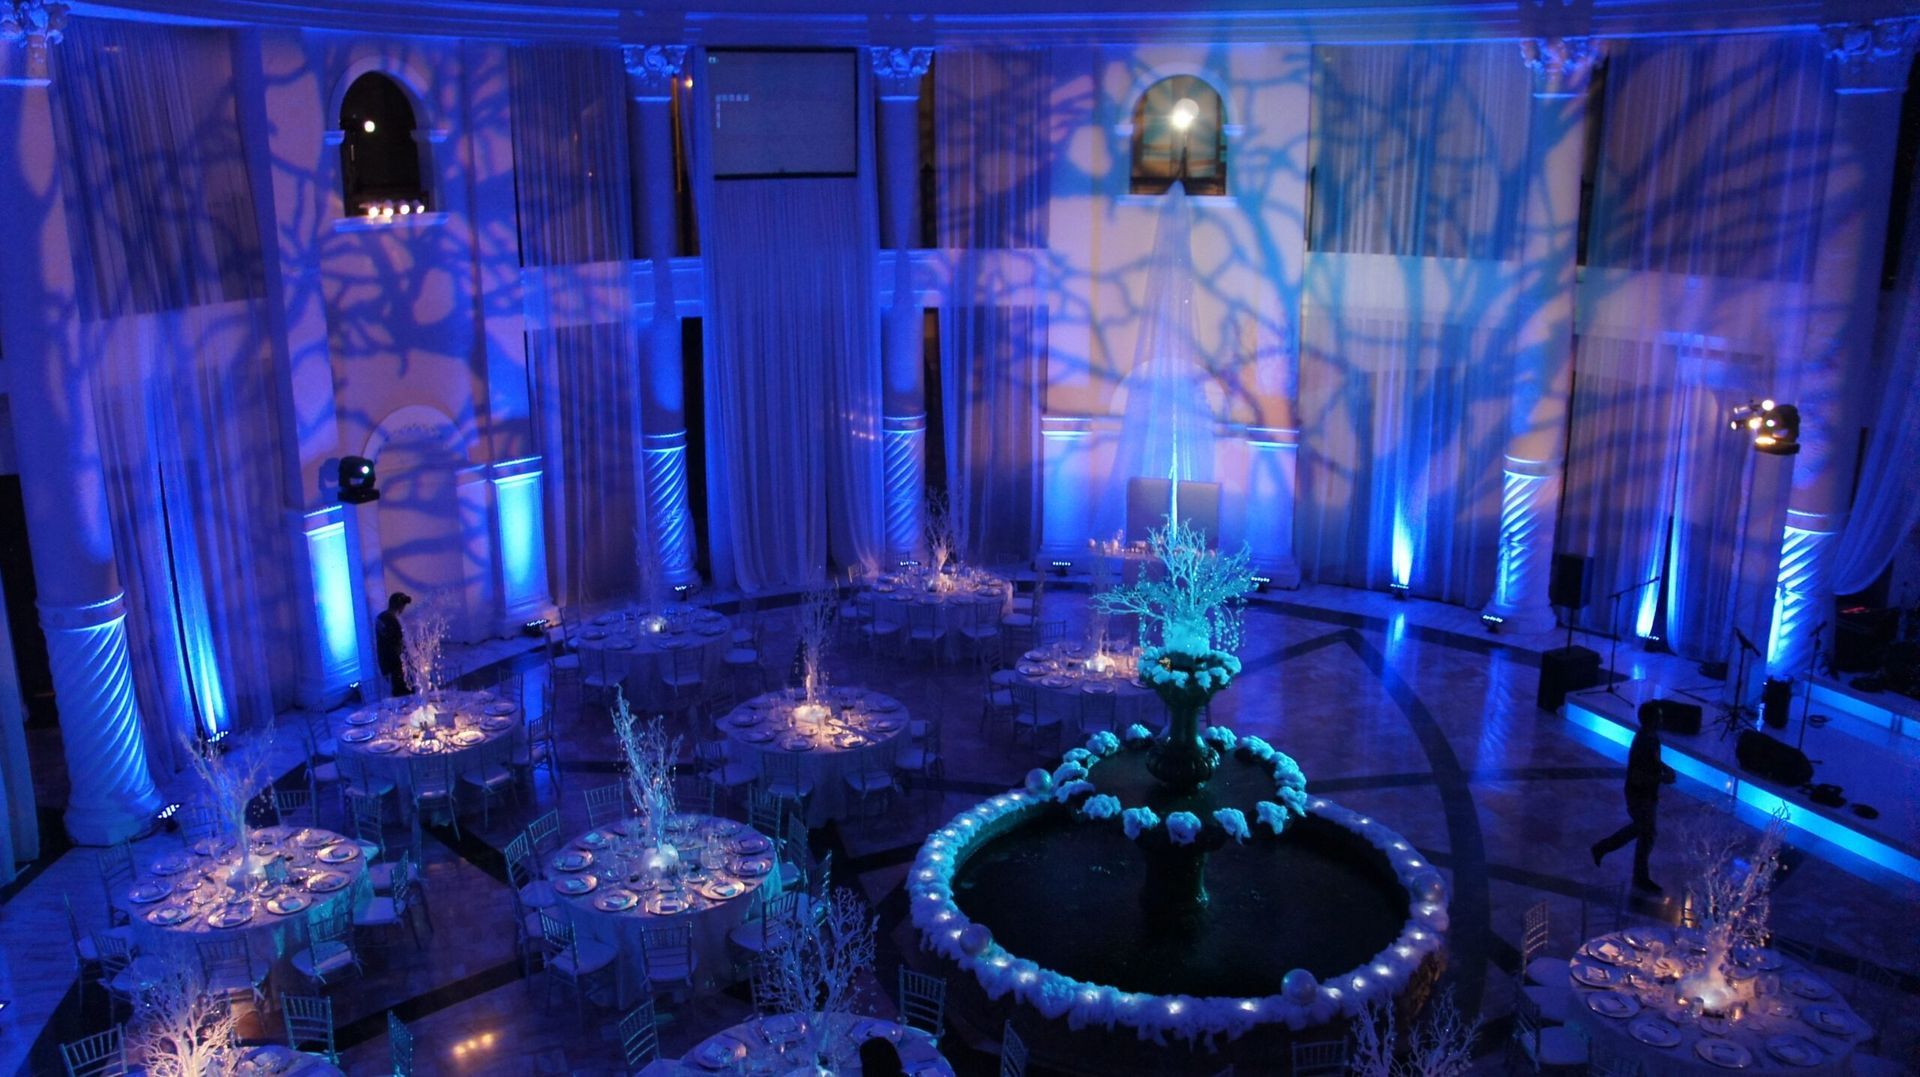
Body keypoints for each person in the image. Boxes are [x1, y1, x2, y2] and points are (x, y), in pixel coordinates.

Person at [1590, 704, 1667, 893]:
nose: (1662, 720)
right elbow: (1638, 777)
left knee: (1646, 833)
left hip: (1647, 794)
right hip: (1640, 795)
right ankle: (1605, 849)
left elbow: (1654, 762)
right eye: (1659, 717)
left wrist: (1664, 769)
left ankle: (1638, 875)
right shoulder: (1644, 742)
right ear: (1651, 720)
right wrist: (1662, 777)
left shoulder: (1651, 739)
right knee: (1644, 830)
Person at [375, 592, 413, 698]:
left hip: (386, 664)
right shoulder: (392, 620)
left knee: (395, 693)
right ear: (400, 606)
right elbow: (399, 645)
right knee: (403, 696)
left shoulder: (381, 617)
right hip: (396, 666)